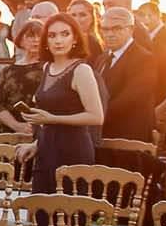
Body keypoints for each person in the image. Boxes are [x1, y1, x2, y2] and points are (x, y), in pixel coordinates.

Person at [20, 12, 104, 192]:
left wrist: (52, 119)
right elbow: (48, 117)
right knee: (41, 210)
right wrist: (35, 145)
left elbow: (96, 117)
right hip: (45, 148)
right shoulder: (46, 68)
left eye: (64, 34)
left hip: (73, 150)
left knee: (69, 214)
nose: (58, 40)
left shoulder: (81, 70)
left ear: (75, 39)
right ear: (46, 42)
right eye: (52, 35)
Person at [95, 5, 158, 144]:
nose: (109, 34)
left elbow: (131, 98)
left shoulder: (144, 59)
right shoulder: (101, 58)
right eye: (105, 29)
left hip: (131, 137)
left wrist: (95, 116)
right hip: (102, 135)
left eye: (117, 28)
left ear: (131, 29)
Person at [0, 18, 46, 136]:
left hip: (44, 132)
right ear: (21, 40)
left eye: (39, 36)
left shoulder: (51, 69)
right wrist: (17, 126)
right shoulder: (7, 72)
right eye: (31, 36)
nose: (35, 40)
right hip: (10, 133)